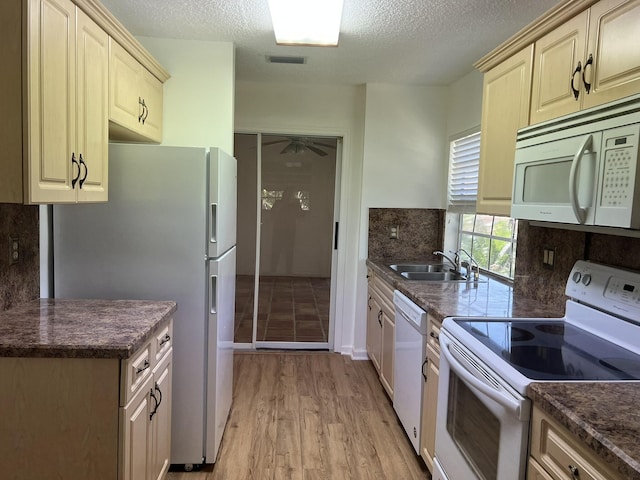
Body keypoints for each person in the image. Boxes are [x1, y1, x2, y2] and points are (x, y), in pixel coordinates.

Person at [270, 190, 302, 274]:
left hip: (290, 231)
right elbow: (272, 214)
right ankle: (273, 272)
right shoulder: (278, 203)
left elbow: (300, 216)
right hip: (278, 231)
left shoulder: (295, 204)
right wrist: (283, 203)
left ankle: (289, 273)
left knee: (289, 253)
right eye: (289, 195)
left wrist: (297, 204)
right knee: (275, 252)